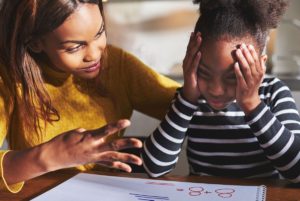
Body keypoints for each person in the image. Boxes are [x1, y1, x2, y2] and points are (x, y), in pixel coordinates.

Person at [0, 0, 180, 193]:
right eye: (74, 47)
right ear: (36, 43)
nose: (94, 55)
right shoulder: (8, 80)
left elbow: (194, 108)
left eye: (100, 32)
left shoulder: (116, 64)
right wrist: (50, 157)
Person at [142, 0, 300, 183]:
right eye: (203, 72)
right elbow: (153, 168)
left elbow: (297, 171)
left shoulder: (273, 92)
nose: (216, 90)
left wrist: (252, 104)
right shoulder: (189, 99)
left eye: (233, 76)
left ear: (261, 65)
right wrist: (187, 99)